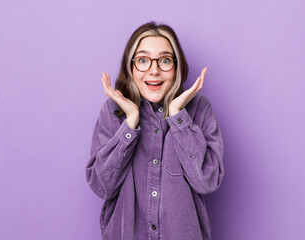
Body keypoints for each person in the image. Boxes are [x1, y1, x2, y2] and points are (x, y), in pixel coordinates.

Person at [86, 21, 224, 240]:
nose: (154, 70)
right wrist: (130, 125)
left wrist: (178, 117)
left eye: (165, 60)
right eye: (143, 60)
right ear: (130, 67)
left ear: (177, 67)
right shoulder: (113, 111)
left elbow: (207, 181)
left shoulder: (199, 108)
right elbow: (102, 186)